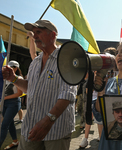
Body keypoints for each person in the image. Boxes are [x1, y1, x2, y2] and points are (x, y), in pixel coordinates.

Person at [2, 20, 77, 150]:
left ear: (52, 35)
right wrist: (13, 78)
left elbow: (68, 94)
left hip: (56, 130)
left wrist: (48, 121)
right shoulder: (35, 62)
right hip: (31, 127)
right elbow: (30, 88)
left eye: (38, 32)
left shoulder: (66, 58)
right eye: (33, 33)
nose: (34, 36)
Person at [0, 60, 23, 150]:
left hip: (13, 103)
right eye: (7, 67)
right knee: (10, 124)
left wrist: (4, 98)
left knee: (4, 125)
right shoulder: (4, 77)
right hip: (5, 103)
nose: (8, 69)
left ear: (16, 68)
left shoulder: (18, 78)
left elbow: (19, 94)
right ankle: (15, 141)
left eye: (11, 67)